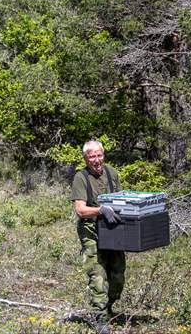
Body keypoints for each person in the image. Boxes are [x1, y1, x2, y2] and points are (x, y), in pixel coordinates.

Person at [71, 140, 124, 333]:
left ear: (104, 155)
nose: (96, 160)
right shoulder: (81, 177)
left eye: (99, 155)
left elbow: (122, 200)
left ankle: (109, 308)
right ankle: (100, 318)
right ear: (86, 158)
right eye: (92, 156)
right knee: (98, 275)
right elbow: (80, 210)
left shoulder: (112, 173)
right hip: (91, 231)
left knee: (118, 275)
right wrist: (100, 210)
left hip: (112, 230)